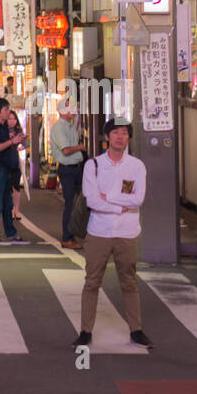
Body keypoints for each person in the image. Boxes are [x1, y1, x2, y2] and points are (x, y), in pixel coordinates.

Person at [74, 118, 152, 349]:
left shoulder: (137, 166)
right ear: (107, 138)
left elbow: (138, 199)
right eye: (115, 133)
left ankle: (136, 330)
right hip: (98, 231)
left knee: (129, 281)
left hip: (127, 233)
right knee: (92, 282)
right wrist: (120, 205)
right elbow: (92, 199)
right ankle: (86, 331)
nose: (120, 137)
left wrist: (109, 198)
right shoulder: (94, 165)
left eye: (125, 133)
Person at [0, 97, 29, 246]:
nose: (8, 112)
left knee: (7, 204)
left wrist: (14, 139)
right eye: (5, 110)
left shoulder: (4, 127)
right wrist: (11, 141)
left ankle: (10, 234)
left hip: (7, 170)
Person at [50, 98, 86, 248]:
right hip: (68, 169)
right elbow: (65, 151)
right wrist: (82, 147)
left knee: (79, 202)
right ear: (63, 112)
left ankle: (75, 234)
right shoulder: (59, 128)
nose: (74, 110)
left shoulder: (70, 125)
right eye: (71, 108)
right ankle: (67, 237)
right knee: (70, 204)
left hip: (76, 167)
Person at [6, 106, 27, 221]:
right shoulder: (3, 131)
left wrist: (21, 146)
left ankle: (17, 210)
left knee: (16, 187)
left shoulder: (20, 132)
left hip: (16, 163)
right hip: (5, 163)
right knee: (7, 188)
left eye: (14, 119)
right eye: (9, 119)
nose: (12, 121)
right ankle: (9, 210)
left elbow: (24, 146)